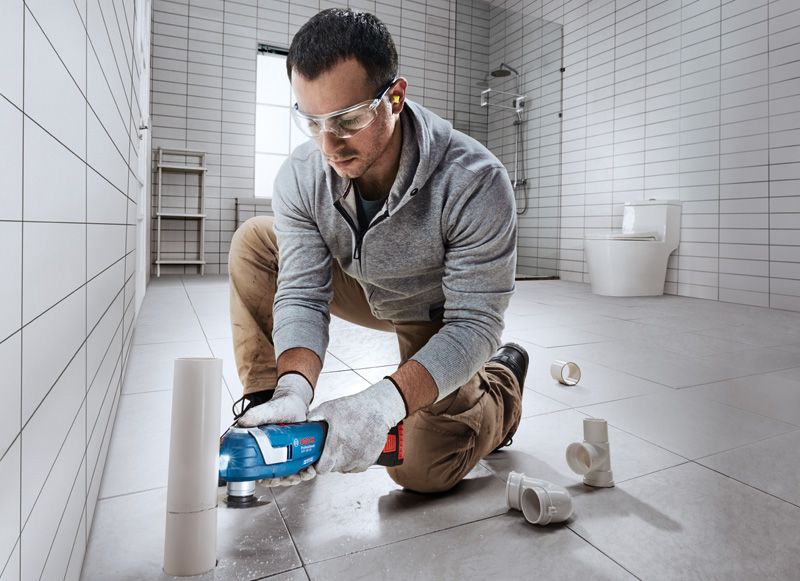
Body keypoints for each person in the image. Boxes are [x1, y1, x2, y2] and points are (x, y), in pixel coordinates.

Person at [228, 7, 528, 493]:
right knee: (255, 242)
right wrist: (294, 387)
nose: (329, 144)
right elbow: (303, 293)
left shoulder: (476, 181)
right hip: (360, 284)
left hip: (432, 309)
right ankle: (274, 413)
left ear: (396, 97)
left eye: (347, 120)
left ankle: (502, 389)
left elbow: (475, 323)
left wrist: (381, 405)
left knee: (421, 468)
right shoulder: (302, 175)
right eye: (312, 121)